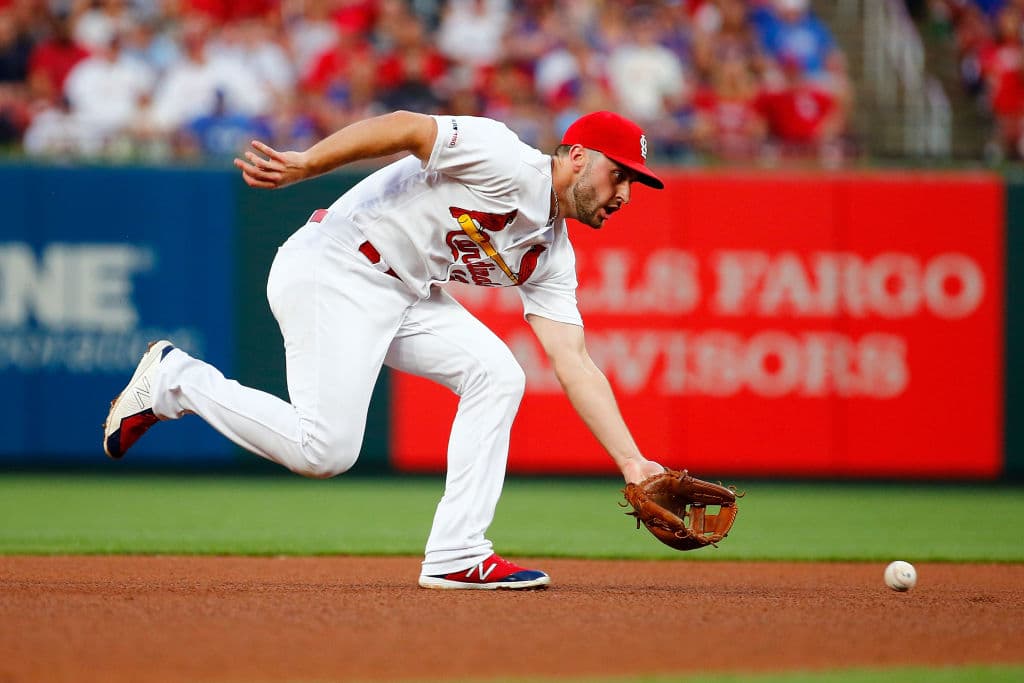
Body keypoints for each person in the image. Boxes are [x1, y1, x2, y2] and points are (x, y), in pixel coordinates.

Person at [102, 109, 667, 590]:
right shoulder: (504, 156)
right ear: (575, 157)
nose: (623, 195)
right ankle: (176, 379)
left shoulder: (551, 256)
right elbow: (405, 127)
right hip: (337, 265)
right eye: (619, 175)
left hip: (404, 293)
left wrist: (633, 464)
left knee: (498, 375)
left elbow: (575, 362)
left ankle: (457, 553)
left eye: (633, 185)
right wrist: (307, 162)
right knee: (323, 453)